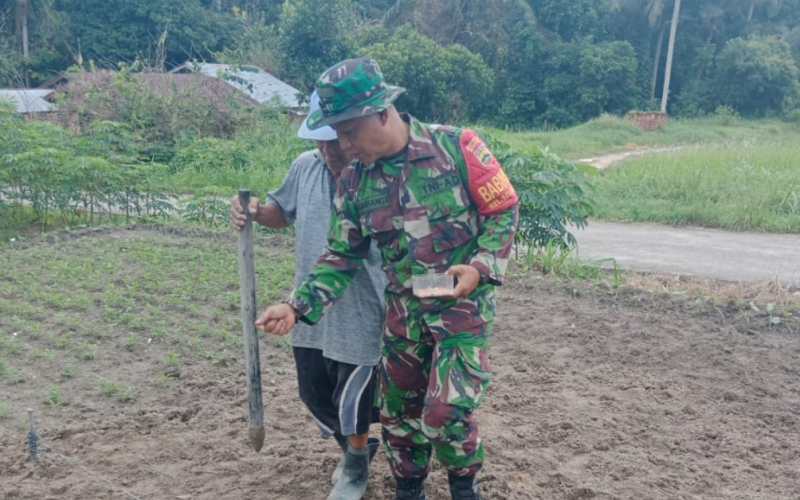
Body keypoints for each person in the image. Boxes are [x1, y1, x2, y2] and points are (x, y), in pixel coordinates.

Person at [256, 59, 519, 500]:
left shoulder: (457, 147)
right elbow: (342, 253)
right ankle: (409, 490)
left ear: (383, 112)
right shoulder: (355, 181)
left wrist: (480, 266)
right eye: (336, 133)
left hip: (460, 307)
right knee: (399, 420)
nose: (342, 144)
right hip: (401, 310)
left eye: (350, 130)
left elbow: (503, 209)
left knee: (444, 414)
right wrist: (295, 306)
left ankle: (464, 487)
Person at [230, 91, 386, 500]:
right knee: (314, 391)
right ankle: (357, 450)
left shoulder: (377, 175)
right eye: (318, 141)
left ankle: (354, 471)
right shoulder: (306, 167)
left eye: (334, 140)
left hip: (362, 305)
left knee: (353, 396)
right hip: (309, 304)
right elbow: (282, 211)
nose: (327, 149)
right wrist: (255, 212)